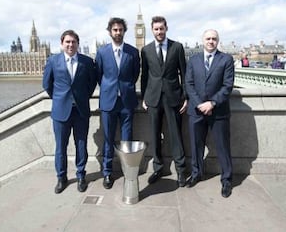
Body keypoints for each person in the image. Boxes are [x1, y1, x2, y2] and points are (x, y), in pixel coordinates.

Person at [43, 30, 97, 194]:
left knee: (81, 145)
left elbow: (92, 83)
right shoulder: (53, 61)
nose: (70, 45)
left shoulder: (87, 62)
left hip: (80, 110)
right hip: (61, 112)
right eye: (67, 42)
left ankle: (81, 175)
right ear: (62, 44)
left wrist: (82, 97)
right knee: (61, 147)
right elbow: (47, 84)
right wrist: (59, 99)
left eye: (73, 42)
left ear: (77, 44)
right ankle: (61, 177)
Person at [185, 29, 235, 198]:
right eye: (208, 38)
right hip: (196, 110)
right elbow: (189, 84)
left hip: (218, 111)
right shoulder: (193, 60)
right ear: (202, 41)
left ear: (217, 41)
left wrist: (212, 102)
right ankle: (196, 173)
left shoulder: (226, 59)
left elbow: (227, 86)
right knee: (196, 145)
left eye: (214, 39)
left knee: (222, 146)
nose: (211, 41)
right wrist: (200, 104)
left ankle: (227, 179)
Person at [141, 16, 187, 187]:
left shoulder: (177, 47)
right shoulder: (145, 50)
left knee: (176, 135)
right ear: (152, 31)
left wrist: (185, 97)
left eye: (161, 28)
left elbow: (184, 73)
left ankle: (181, 171)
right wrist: (144, 98)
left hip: (173, 97)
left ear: (166, 28)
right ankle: (158, 168)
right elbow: (145, 76)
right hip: (153, 98)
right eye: (156, 29)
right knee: (154, 135)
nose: (159, 32)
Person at [95, 17, 140, 189]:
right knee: (108, 138)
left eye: (120, 30)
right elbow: (99, 75)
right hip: (108, 101)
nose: (118, 33)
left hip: (127, 101)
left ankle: (127, 170)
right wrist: (109, 89)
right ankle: (107, 172)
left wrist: (125, 87)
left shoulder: (132, 52)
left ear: (124, 32)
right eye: (115, 30)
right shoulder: (102, 52)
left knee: (127, 139)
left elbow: (135, 74)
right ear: (110, 32)